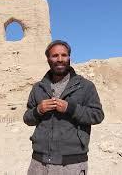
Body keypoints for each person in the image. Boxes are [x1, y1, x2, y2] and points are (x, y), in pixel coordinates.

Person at [23, 40, 104, 175]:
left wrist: (71, 108)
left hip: (72, 163)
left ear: (69, 57)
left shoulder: (85, 86)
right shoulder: (38, 88)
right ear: (48, 59)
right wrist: (39, 110)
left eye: (64, 55)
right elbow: (27, 118)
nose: (60, 59)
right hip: (38, 162)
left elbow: (97, 115)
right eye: (55, 56)